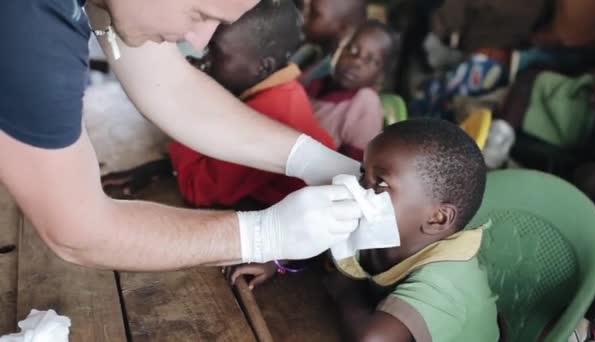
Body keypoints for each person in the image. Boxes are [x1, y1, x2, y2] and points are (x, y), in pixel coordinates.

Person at [0, 0, 362, 271]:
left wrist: (310, 158)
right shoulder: (27, 29)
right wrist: (263, 235)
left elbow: (171, 88)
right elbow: (78, 231)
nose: (199, 39)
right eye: (200, 13)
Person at [231, 119, 499, 342]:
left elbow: (371, 339)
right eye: (362, 173)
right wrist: (280, 258)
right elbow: (332, 240)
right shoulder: (386, 227)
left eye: (379, 183)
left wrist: (345, 288)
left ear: (437, 218)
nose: (358, 188)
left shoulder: (446, 284)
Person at [102, 0, 336, 209]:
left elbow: (198, 191)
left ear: (262, 67)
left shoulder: (274, 112)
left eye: (214, 51)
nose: (200, 56)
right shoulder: (279, 91)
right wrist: (157, 170)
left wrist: (189, 101)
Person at [307, 21, 394, 161]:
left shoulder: (365, 102)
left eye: (371, 60)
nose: (357, 62)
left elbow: (355, 166)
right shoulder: (316, 82)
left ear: (381, 75)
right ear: (338, 49)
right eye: (352, 49)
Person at [296, 0, 368, 85]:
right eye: (304, 8)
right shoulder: (307, 53)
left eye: (314, 14)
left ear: (344, 29)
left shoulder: (330, 77)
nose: (302, 17)